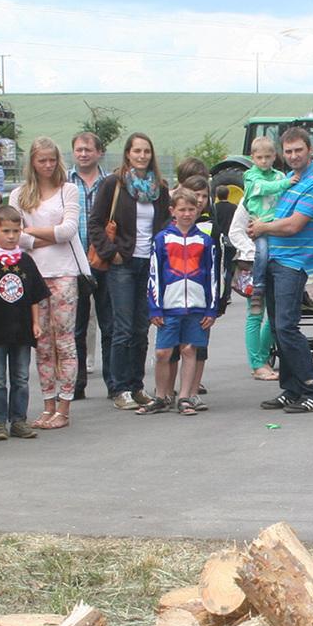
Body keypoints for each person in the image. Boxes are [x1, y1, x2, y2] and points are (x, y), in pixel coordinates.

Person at [247, 126, 313, 413]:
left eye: (299, 150)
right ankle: (291, 388)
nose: (293, 155)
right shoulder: (288, 180)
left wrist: (262, 227)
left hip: (293, 263)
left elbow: (295, 225)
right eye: (289, 151)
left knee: (286, 327)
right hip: (274, 258)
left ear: (310, 150)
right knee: (277, 329)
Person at [14, 137, 90, 430]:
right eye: (41, 160)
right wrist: (44, 236)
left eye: (51, 160)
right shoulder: (20, 194)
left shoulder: (68, 190)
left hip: (64, 273)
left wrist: (33, 234)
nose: (47, 165)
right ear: (32, 163)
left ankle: (65, 405)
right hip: (34, 274)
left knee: (65, 341)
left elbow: (69, 231)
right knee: (42, 342)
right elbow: (16, 236)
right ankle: (47, 403)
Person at [89, 132, 167, 410]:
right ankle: (119, 387)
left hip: (149, 263)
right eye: (137, 151)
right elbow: (96, 223)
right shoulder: (114, 184)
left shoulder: (160, 187)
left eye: (147, 151)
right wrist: (113, 254)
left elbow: (165, 224)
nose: (142, 156)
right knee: (121, 328)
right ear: (127, 154)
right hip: (122, 264)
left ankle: (137, 386)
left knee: (140, 328)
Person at [0, 206, 49, 440]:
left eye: (16, 231)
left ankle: (19, 420)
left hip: (22, 330)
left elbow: (34, 296)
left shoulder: (26, 261)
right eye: (6, 231)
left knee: (21, 378)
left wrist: (36, 323)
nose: (11, 236)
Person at [141, 179, 217, 416]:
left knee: (189, 350)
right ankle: (162, 395)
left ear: (198, 210)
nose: (187, 214)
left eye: (191, 209)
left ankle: (184, 396)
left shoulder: (205, 241)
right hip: (169, 305)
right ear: (172, 211)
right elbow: (154, 274)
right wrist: (154, 307)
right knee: (163, 352)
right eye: (182, 209)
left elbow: (213, 275)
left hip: (196, 306)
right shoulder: (162, 239)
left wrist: (211, 309)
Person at [229, 135, 286, 380]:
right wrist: (253, 253)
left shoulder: (281, 181)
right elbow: (235, 231)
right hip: (257, 264)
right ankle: (257, 362)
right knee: (256, 312)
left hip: (281, 258)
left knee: (276, 314)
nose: (264, 161)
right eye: (259, 157)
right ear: (253, 159)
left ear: (275, 156)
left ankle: (264, 357)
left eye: (268, 156)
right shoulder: (250, 194)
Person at [68, 131, 113, 400]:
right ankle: (77, 383)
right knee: (77, 326)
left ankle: (113, 382)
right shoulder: (65, 182)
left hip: (104, 259)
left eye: (88, 149)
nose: (83, 154)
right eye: (79, 150)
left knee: (109, 324)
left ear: (99, 153)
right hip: (74, 261)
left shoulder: (111, 183)